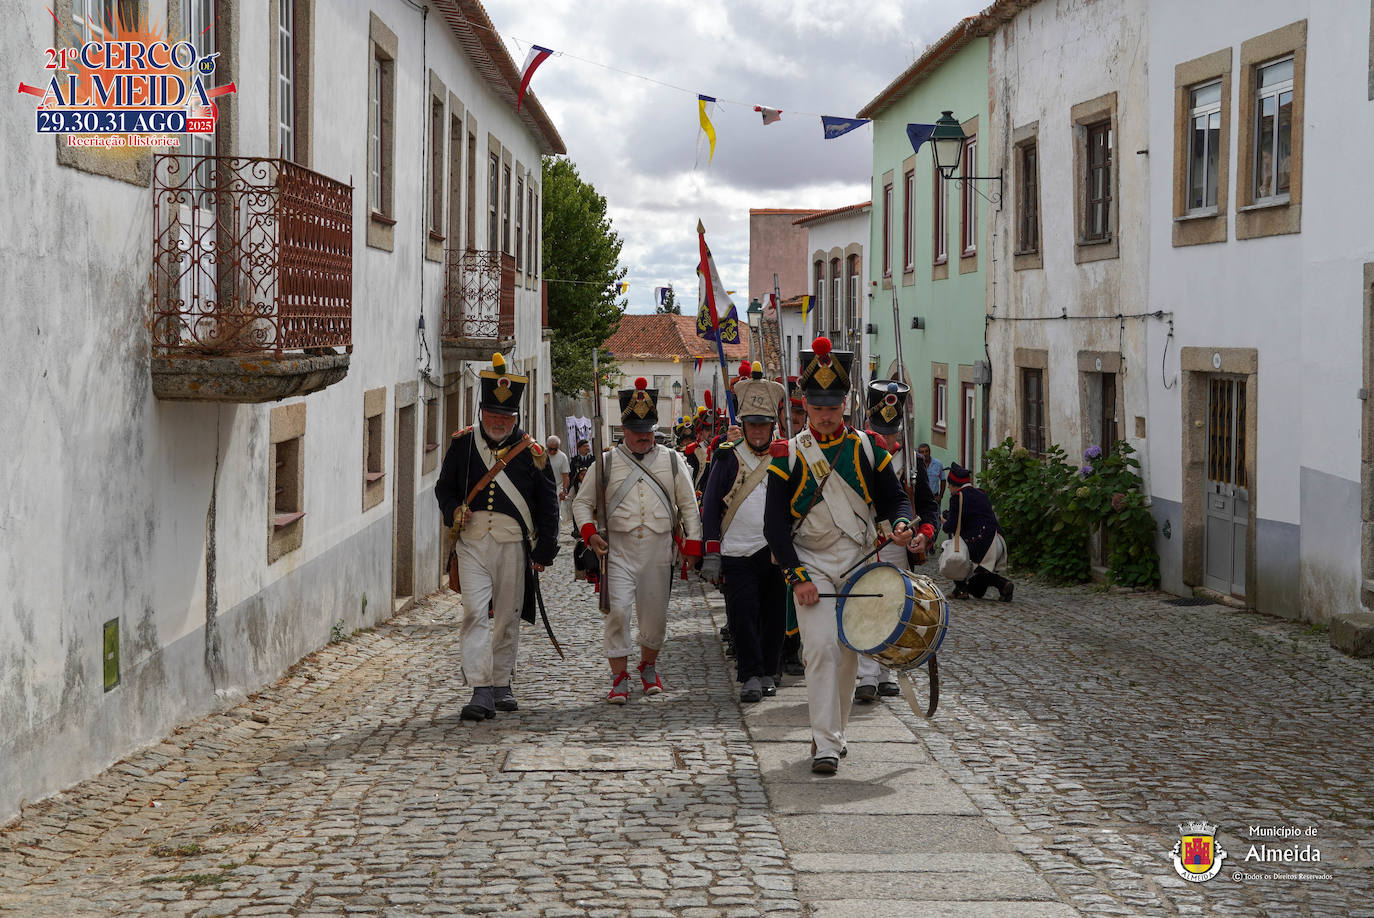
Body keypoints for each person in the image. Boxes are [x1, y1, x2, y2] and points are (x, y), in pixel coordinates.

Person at [764, 338, 935, 774]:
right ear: (805, 404)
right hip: (812, 563)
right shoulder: (788, 455)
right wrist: (796, 575)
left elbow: (895, 500)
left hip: (860, 561)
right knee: (819, 649)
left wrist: (901, 525)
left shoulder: (867, 447)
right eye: (818, 407)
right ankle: (824, 742)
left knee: (847, 652)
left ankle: (835, 734)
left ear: (846, 405)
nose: (825, 415)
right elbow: (775, 527)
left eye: (833, 407)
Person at [435, 354, 560, 721]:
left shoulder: (533, 453)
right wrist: (455, 509)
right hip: (472, 544)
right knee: (475, 613)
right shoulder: (463, 446)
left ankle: (502, 681)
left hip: (513, 547)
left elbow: (548, 504)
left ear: (515, 419)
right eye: (492, 416)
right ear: (481, 413)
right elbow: (444, 489)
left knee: (506, 615)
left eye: (505, 418)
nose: (498, 422)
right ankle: (480, 688)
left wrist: (546, 550)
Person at [572, 378, 703, 703]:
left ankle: (647, 666)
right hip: (618, 551)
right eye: (637, 430)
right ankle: (618, 677)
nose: (644, 436)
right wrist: (590, 535)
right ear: (625, 430)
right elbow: (581, 503)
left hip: (659, 551)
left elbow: (689, 505)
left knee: (654, 616)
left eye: (648, 429)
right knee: (617, 613)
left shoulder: (672, 461)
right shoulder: (606, 463)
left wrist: (693, 545)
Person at [701, 364, 787, 703]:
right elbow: (709, 506)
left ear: (771, 427)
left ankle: (769, 670)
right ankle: (750, 673)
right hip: (736, 551)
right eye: (751, 425)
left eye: (763, 426)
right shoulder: (727, 458)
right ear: (744, 425)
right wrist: (711, 552)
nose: (756, 432)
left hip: (776, 551)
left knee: (774, 616)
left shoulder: (787, 456)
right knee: (743, 615)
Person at [855, 380, 939, 703]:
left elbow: (929, 509)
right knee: (865, 606)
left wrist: (924, 535)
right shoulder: (856, 453)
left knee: (893, 609)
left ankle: (886, 670)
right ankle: (866, 675)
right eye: (879, 431)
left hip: (898, 546)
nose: (886, 440)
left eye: (891, 433)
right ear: (867, 426)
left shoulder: (913, 463)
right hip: (864, 543)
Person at [942, 463, 1014, 602]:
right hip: (997, 540)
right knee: (976, 588)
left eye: (950, 485)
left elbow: (951, 526)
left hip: (981, 544)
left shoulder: (957, 498)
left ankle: (961, 589)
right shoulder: (981, 493)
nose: (949, 489)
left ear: (953, 484)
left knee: (950, 551)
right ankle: (1004, 585)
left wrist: (944, 521)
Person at [776, 374, 807, 677]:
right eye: (790, 411)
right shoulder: (769, 443)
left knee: (793, 594)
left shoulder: (810, 445)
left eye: (799, 412)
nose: (795, 417)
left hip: (801, 532)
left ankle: (792, 649)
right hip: (771, 532)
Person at [546, 435, 572, 528]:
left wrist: (564, 491)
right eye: (550, 449)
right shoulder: (542, 455)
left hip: (556, 487)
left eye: (555, 449)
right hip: (543, 488)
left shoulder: (562, 457)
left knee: (556, 513)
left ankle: (556, 537)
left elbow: (565, 476)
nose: (553, 451)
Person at [918, 443, 945, 509]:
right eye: (922, 452)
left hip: (934, 498)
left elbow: (943, 480)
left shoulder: (938, 464)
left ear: (930, 452)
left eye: (926, 451)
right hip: (920, 499)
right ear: (919, 454)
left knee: (935, 518)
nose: (924, 454)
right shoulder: (916, 465)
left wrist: (940, 496)